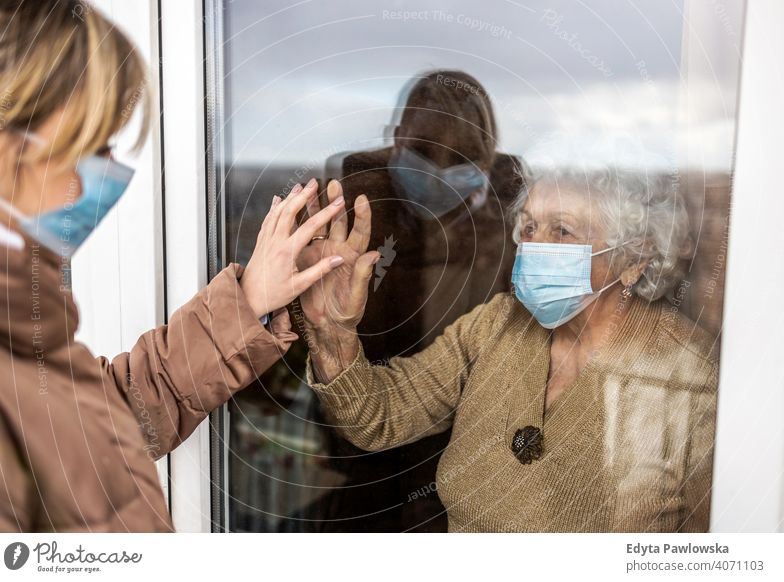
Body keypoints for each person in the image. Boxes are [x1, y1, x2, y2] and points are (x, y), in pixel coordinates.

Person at [0, 1, 346, 532]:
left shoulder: (17, 324)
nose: (104, 175)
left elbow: (102, 426)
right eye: (86, 144)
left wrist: (248, 304)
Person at [297, 145, 719, 532]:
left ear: (635, 257)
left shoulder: (691, 377)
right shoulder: (498, 324)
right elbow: (380, 415)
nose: (534, 247)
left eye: (563, 232)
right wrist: (331, 331)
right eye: (530, 226)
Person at [305, 70, 525, 531]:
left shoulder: (517, 230)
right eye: (424, 151)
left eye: (462, 157)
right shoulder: (348, 215)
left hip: (472, 442)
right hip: (359, 443)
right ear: (397, 139)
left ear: (488, 161)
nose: (441, 170)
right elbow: (297, 340)